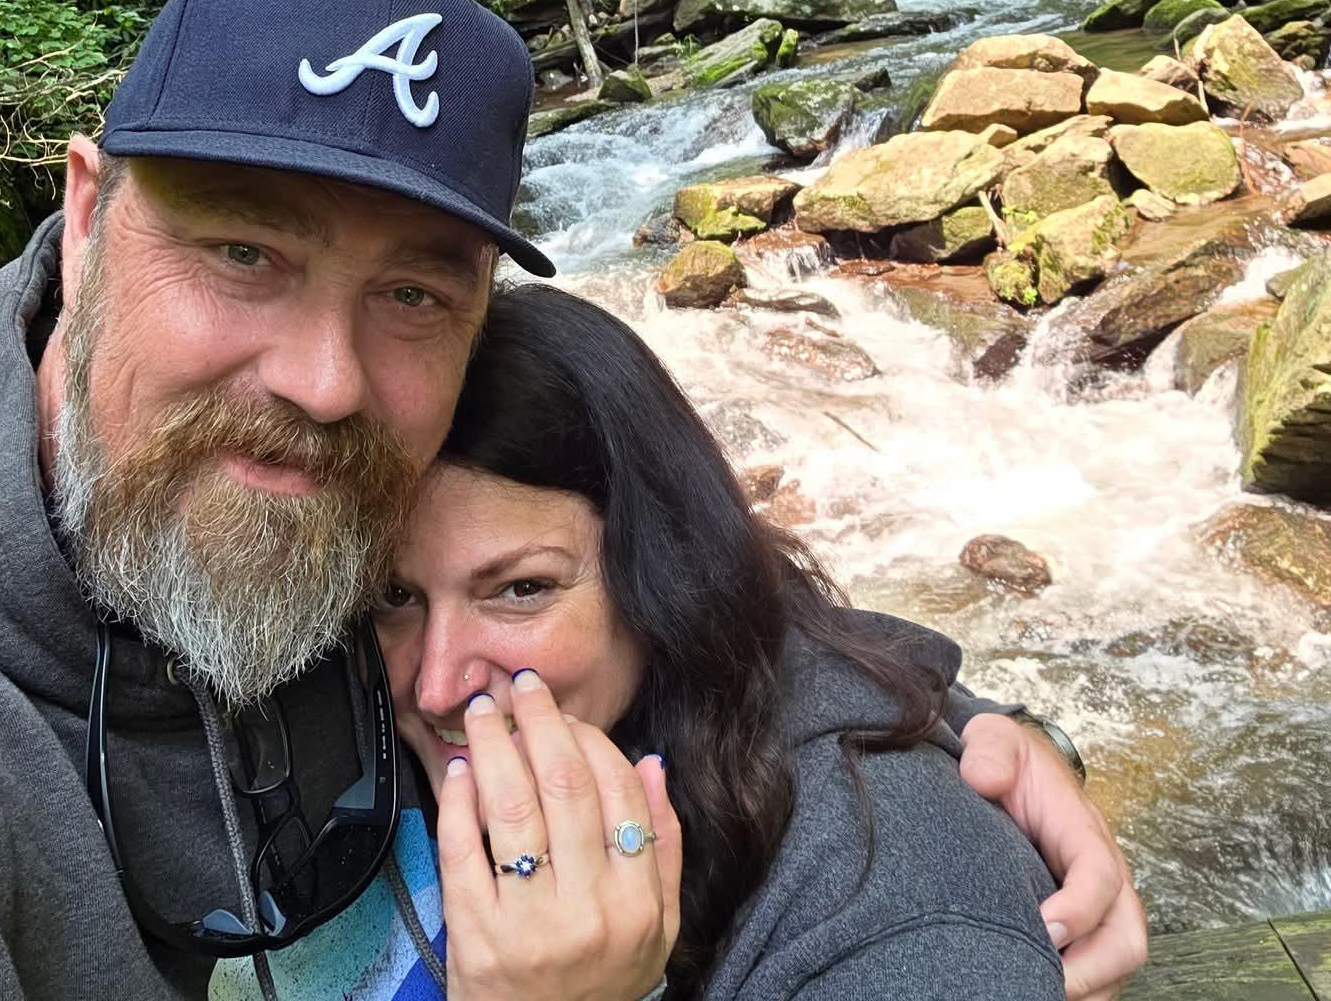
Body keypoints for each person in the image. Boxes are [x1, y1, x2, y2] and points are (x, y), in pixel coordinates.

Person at [0, 0, 1141, 999]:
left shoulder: (330, 512)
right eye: (243, 252)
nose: (323, 382)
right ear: (85, 218)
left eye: (416, 297)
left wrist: (962, 752)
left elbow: (712, 648)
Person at [217, 284, 1124, 999]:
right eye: (392, 595)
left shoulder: (897, 895)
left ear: (664, 575)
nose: (439, 685)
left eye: (522, 589)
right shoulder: (297, 661)